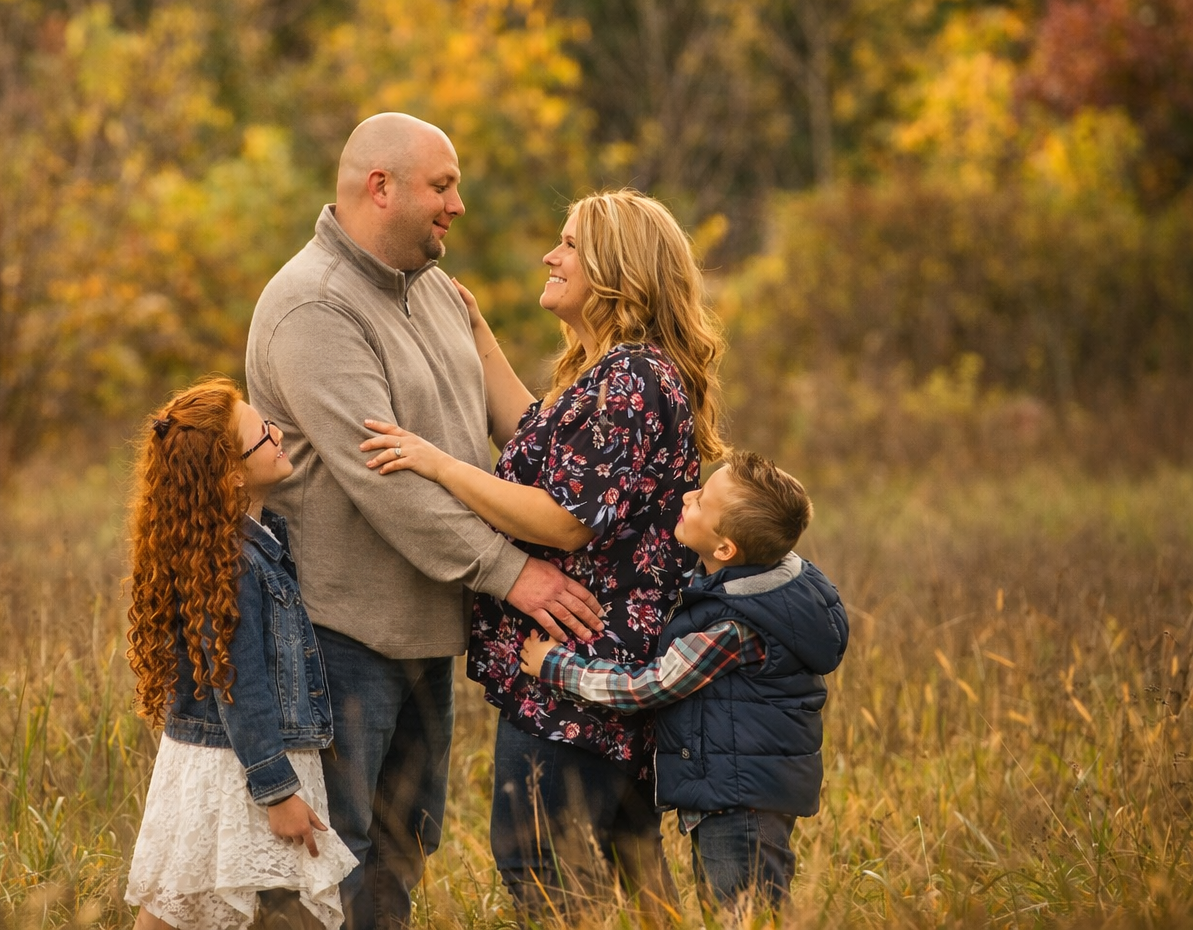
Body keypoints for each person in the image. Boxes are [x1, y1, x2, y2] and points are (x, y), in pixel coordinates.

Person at [245, 113, 604, 930]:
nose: (459, 204)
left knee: (405, 849)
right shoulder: (313, 308)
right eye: (443, 186)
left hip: (426, 631)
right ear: (382, 187)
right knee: (323, 866)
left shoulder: (439, 294)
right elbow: (391, 488)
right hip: (336, 634)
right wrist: (515, 574)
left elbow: (519, 439)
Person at [359, 189, 727, 918]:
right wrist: (478, 331)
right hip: (602, 661)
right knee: (636, 870)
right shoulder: (613, 371)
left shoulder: (631, 378)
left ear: (617, 269)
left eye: (568, 245)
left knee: (541, 869)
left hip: (579, 665)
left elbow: (565, 519)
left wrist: (433, 462)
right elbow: (533, 435)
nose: (551, 257)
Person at [519, 452, 850, 920]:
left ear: (726, 550)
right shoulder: (762, 578)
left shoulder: (733, 629)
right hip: (743, 791)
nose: (688, 496)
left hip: (739, 800)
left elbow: (649, 688)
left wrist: (557, 666)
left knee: (743, 915)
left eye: (701, 503)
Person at [123, 376, 357, 930]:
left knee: (186, 902)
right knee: (183, 905)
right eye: (263, 434)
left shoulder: (242, 546)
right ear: (231, 476)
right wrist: (277, 791)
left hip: (225, 759)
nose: (279, 434)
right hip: (239, 767)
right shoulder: (235, 563)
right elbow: (239, 684)